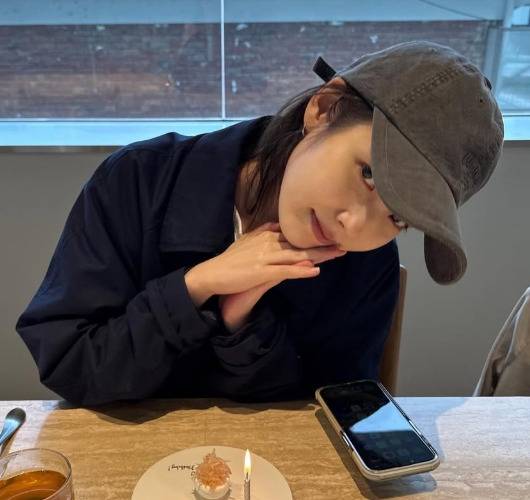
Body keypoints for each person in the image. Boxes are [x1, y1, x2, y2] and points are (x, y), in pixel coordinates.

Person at [15, 41, 504, 406]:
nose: (354, 223)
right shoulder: (138, 181)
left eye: (398, 217)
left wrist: (241, 322)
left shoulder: (366, 265)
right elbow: (70, 363)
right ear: (323, 110)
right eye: (369, 173)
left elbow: (332, 414)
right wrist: (195, 286)